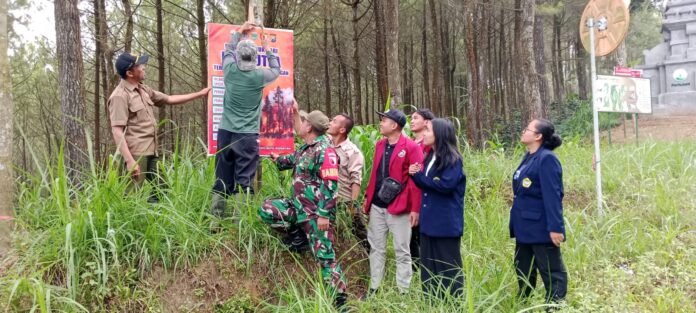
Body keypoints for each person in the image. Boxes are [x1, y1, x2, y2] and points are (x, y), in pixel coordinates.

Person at [258, 105, 348, 310]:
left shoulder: (325, 150)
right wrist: (274, 157)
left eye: (304, 122)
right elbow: (288, 161)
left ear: (309, 127)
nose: (301, 124)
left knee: (325, 257)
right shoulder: (307, 147)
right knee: (268, 209)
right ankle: (298, 237)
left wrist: (324, 215)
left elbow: (331, 184)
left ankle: (341, 301)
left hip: (316, 214)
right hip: (299, 208)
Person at [108, 52, 210, 202]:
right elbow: (117, 130)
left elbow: (169, 99)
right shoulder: (119, 96)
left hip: (151, 151)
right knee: (130, 197)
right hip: (135, 154)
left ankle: (150, 217)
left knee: (162, 188)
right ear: (129, 73)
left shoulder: (143, 89)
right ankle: (131, 224)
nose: (144, 68)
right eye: (139, 66)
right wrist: (130, 161)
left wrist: (199, 94)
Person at [211, 21, 281, 221]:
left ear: (238, 57)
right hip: (247, 136)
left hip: (225, 132)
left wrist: (239, 33)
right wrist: (267, 49)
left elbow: (228, 49)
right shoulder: (259, 75)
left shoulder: (230, 69)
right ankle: (240, 224)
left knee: (222, 176)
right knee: (244, 180)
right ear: (255, 57)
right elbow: (276, 69)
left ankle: (215, 219)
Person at [363, 108, 424, 295]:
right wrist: (368, 201)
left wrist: (415, 209)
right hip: (377, 206)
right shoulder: (380, 145)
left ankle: (403, 291)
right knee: (376, 248)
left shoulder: (412, 147)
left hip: (401, 208)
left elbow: (417, 181)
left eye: (384, 120)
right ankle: (374, 288)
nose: (380, 123)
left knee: (402, 250)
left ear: (394, 125)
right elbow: (375, 175)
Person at [510, 118, 568, 305]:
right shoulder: (528, 156)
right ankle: (523, 302)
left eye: (527, 129)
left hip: (541, 226)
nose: (523, 131)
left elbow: (553, 196)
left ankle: (554, 305)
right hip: (524, 226)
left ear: (538, 136)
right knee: (523, 268)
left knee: (551, 270)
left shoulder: (547, 159)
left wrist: (556, 228)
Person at [408, 118, 466, 298]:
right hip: (429, 221)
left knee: (448, 266)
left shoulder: (452, 159)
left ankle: (453, 303)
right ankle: (432, 300)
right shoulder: (430, 156)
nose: (423, 134)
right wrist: (419, 176)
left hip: (445, 222)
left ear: (440, 134)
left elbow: (445, 185)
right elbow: (431, 183)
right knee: (429, 265)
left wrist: (419, 177)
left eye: (428, 131)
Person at [327, 113, 368, 251]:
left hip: (344, 200)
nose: (330, 122)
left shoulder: (352, 152)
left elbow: (355, 179)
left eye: (334, 121)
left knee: (359, 233)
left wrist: (353, 205)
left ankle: (368, 259)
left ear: (342, 130)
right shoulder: (325, 143)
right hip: (326, 199)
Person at [408, 108, 435, 268]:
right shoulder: (410, 143)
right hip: (408, 196)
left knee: (420, 236)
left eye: (416, 118)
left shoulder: (428, 147)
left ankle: (423, 269)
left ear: (426, 122)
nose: (412, 121)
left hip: (423, 197)